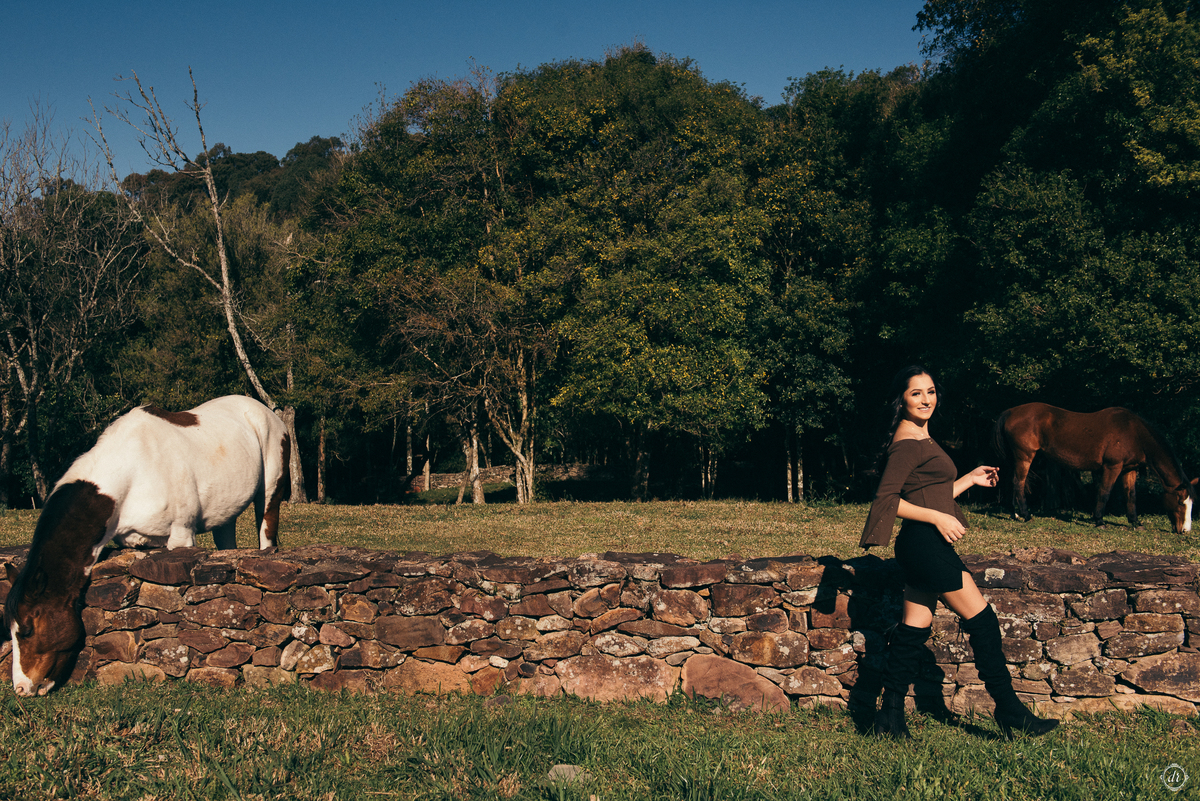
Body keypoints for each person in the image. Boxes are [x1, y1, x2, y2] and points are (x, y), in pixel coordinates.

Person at [861, 365, 1057, 739]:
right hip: (924, 546)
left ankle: (888, 718)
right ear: (900, 399)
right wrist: (937, 517)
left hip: (922, 546)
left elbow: (926, 492)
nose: (925, 399)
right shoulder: (906, 442)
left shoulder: (922, 436)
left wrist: (968, 479)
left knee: (911, 632)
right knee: (982, 621)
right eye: (916, 393)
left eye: (930, 391)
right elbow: (885, 501)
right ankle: (1009, 709)